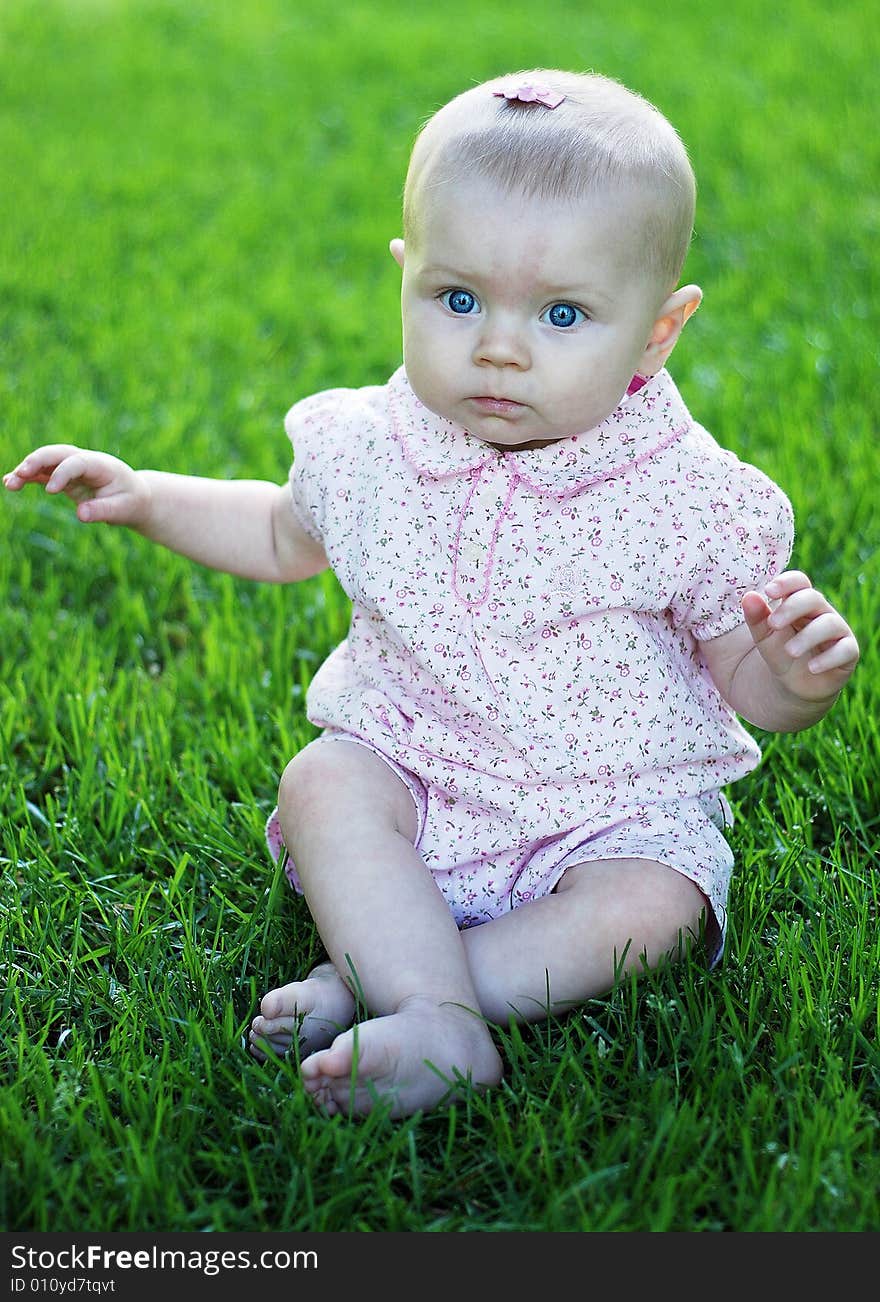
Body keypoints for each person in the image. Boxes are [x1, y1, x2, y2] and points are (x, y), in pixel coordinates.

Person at [4, 69, 859, 1119]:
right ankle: (433, 1011)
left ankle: (411, 989)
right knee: (325, 780)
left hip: (603, 808)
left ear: (656, 331)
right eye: (457, 299)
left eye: (561, 313)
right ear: (405, 278)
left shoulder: (685, 497)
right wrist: (148, 496)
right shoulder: (371, 446)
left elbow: (748, 688)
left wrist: (793, 677)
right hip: (412, 760)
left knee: (659, 906)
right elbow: (280, 530)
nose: (497, 345)